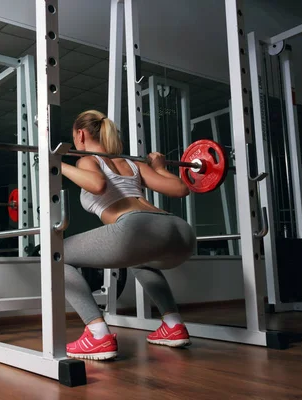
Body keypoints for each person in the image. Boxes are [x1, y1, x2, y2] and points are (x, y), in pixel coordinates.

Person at [60, 110, 196, 361]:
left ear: (80, 134)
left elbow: (97, 185)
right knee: (140, 260)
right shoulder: (133, 164)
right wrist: (160, 168)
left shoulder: (89, 160)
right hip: (180, 232)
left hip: (136, 229)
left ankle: (97, 334)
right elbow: (180, 189)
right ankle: (173, 324)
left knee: (55, 253)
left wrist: (56, 164)